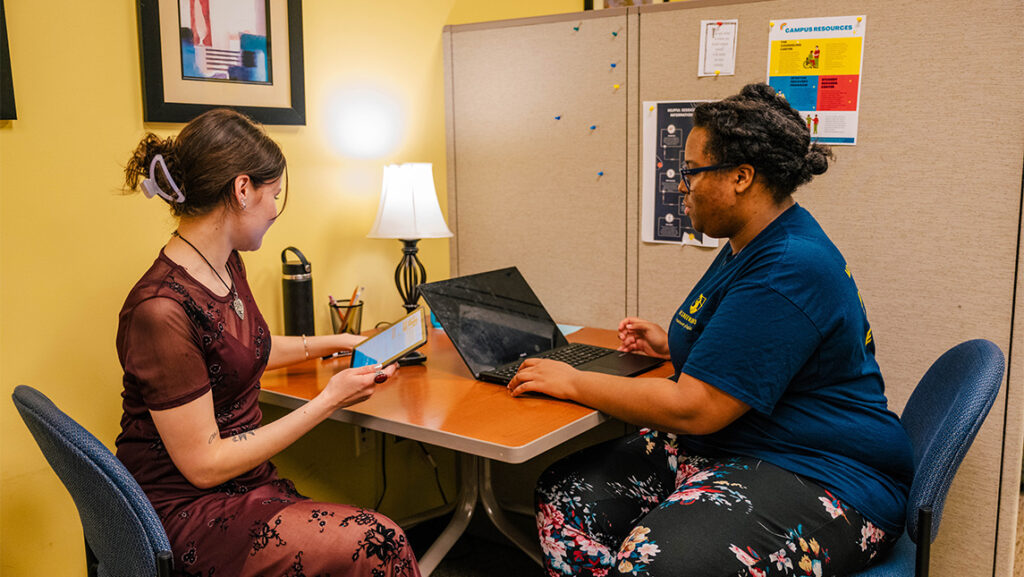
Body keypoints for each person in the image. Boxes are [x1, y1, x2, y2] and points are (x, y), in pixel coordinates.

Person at [508, 83, 913, 576]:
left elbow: (697, 409)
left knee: (656, 562)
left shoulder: (789, 265)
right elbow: (750, 351)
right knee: (567, 496)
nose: (683, 185)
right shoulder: (749, 241)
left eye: (692, 171)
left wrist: (571, 379)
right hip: (744, 442)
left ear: (741, 177)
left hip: (825, 471)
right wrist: (675, 346)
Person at [116, 108, 420, 577]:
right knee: (380, 541)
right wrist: (327, 401)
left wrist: (337, 341)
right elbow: (204, 465)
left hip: (244, 481)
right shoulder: (160, 311)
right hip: (188, 505)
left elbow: (242, 349)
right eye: (273, 194)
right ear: (242, 190)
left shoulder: (223, 262)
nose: (276, 208)